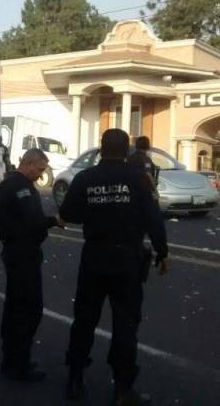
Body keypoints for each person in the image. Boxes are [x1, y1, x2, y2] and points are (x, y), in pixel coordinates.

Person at [59, 129, 169, 405]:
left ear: (101, 148)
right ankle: (123, 388)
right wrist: (163, 252)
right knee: (126, 325)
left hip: (94, 256)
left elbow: (69, 213)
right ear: (127, 149)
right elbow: (153, 219)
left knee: (85, 320)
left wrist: (94, 211)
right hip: (127, 259)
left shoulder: (85, 178)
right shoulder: (138, 178)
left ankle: (75, 378)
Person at [0, 148, 62, 381]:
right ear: (29, 164)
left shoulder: (9, 184)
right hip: (23, 253)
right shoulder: (20, 187)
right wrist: (53, 221)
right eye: (40, 169)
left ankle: (11, 359)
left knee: (15, 307)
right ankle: (18, 363)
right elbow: (33, 221)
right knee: (28, 309)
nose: (41, 175)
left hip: (15, 251)